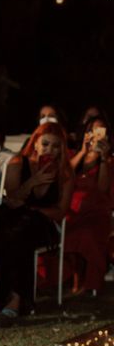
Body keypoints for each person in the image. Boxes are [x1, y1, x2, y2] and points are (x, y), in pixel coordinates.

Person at [0, 121, 73, 316]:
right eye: (45, 144)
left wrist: (31, 210)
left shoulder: (64, 173)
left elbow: (60, 211)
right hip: (15, 222)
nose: (50, 150)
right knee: (13, 230)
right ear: (35, 143)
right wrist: (32, 182)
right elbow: (12, 199)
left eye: (56, 146)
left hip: (44, 225)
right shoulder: (17, 163)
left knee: (22, 230)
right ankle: (14, 296)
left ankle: (15, 297)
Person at [65, 116, 112, 294]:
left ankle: (91, 282)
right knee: (69, 235)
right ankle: (76, 277)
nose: (97, 135)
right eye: (94, 130)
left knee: (87, 235)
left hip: (96, 214)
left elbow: (103, 187)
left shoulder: (108, 161)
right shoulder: (74, 156)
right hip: (70, 213)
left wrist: (103, 158)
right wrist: (83, 152)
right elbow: (63, 175)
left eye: (102, 131)